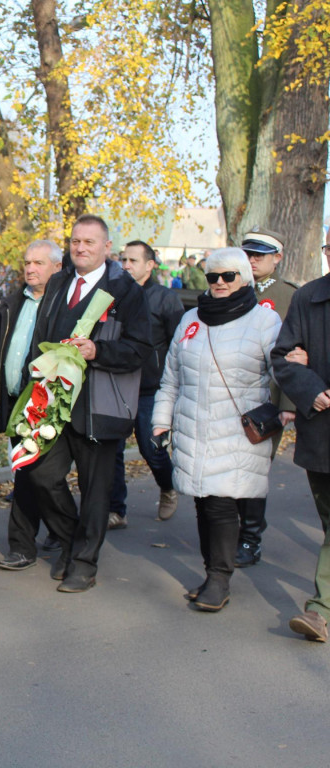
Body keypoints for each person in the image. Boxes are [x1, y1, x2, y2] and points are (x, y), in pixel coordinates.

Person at [21, 215, 150, 592]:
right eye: (76, 241)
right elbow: (42, 335)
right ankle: (69, 539)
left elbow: (140, 350)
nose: (80, 248)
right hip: (56, 401)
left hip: (99, 406)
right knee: (41, 474)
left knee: (96, 491)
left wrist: (98, 350)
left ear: (107, 248)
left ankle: (83, 563)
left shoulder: (126, 292)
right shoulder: (59, 283)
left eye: (89, 242)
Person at [153, 247, 282, 612]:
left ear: (245, 278)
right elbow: (171, 378)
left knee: (222, 503)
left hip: (239, 429)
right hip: (195, 425)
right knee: (203, 501)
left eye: (228, 276)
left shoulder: (264, 321)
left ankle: (219, 579)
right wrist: (162, 420)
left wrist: (283, 413)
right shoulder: (191, 319)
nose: (220, 283)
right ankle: (213, 573)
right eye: (213, 277)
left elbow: (282, 374)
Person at [0, 239, 62, 571]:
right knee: (26, 471)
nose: (30, 268)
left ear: (57, 267)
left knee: (35, 474)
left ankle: (28, 542)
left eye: (38, 263)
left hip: (45, 403)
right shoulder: (11, 303)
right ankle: (37, 538)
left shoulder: (62, 306)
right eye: (27, 262)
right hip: (12, 402)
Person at [270, 231, 330, 642]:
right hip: (322, 431)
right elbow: (282, 356)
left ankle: (320, 609)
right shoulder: (309, 298)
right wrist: (309, 388)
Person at [108, 241, 184, 529]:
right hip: (115, 385)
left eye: (133, 260)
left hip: (150, 387)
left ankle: (167, 486)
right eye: (123, 259)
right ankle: (116, 510)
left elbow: (180, 345)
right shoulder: (112, 295)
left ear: (150, 265)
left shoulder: (165, 299)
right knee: (111, 449)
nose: (126, 265)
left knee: (151, 448)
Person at [236, 228, 298, 566]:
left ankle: (250, 538)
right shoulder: (229, 288)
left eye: (261, 254)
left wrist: (288, 404)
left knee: (254, 471)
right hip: (228, 396)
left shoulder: (289, 296)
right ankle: (232, 531)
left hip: (267, 399)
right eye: (248, 253)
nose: (253, 260)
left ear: (277, 258)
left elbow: (296, 353)